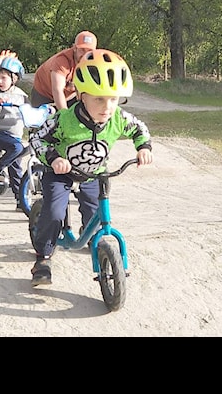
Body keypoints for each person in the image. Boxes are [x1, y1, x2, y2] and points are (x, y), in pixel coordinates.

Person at [28, 49, 152, 287]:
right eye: (99, 99)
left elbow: (140, 129)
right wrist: (53, 158)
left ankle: (96, 242)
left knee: (95, 212)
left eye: (114, 99)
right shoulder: (64, 120)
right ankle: (43, 258)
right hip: (61, 172)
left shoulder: (117, 118)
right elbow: (37, 139)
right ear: (82, 95)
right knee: (54, 212)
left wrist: (143, 148)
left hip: (94, 174)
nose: (107, 107)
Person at [0, 50, 30, 211]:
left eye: (3, 77)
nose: (0, 81)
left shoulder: (22, 96)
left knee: (16, 167)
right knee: (17, 149)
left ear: (14, 78)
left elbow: (29, 112)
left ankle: (20, 200)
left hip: (15, 136)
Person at [29, 30, 97, 109]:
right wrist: (64, 114)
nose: (85, 54)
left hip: (69, 95)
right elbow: (57, 90)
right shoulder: (62, 61)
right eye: (82, 50)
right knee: (43, 119)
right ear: (75, 48)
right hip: (44, 93)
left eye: (89, 51)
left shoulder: (93, 62)